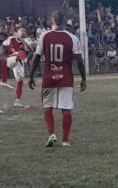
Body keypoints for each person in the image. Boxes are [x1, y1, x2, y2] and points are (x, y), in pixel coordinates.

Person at [28, 10, 87, 147]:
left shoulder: (44, 36)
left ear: (52, 21)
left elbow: (36, 57)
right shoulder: (72, 38)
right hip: (66, 77)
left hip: (49, 77)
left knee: (47, 106)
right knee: (66, 108)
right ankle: (65, 140)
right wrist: (84, 78)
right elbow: (79, 61)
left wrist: (30, 75)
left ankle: (51, 134)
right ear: (65, 21)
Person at [1, 27, 31, 108]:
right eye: (22, 30)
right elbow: (3, 45)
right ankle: (26, 61)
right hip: (10, 59)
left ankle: (17, 101)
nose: (23, 32)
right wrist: (2, 55)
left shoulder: (25, 41)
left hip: (17, 62)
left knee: (20, 81)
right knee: (20, 52)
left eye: (24, 31)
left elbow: (31, 49)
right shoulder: (11, 38)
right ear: (17, 32)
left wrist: (23, 40)